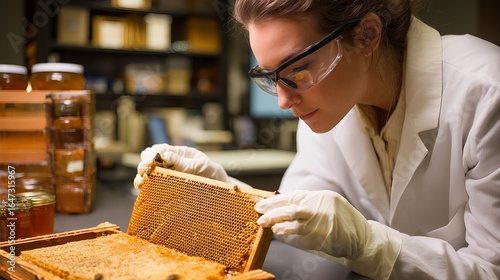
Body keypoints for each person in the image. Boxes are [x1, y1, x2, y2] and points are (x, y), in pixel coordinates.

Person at [134, 0, 500, 279]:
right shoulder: (328, 107)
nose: (283, 100)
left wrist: (367, 242)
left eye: (298, 69)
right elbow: (297, 220)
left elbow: (490, 270)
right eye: (269, 76)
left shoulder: (486, 93)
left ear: (366, 35)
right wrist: (219, 190)